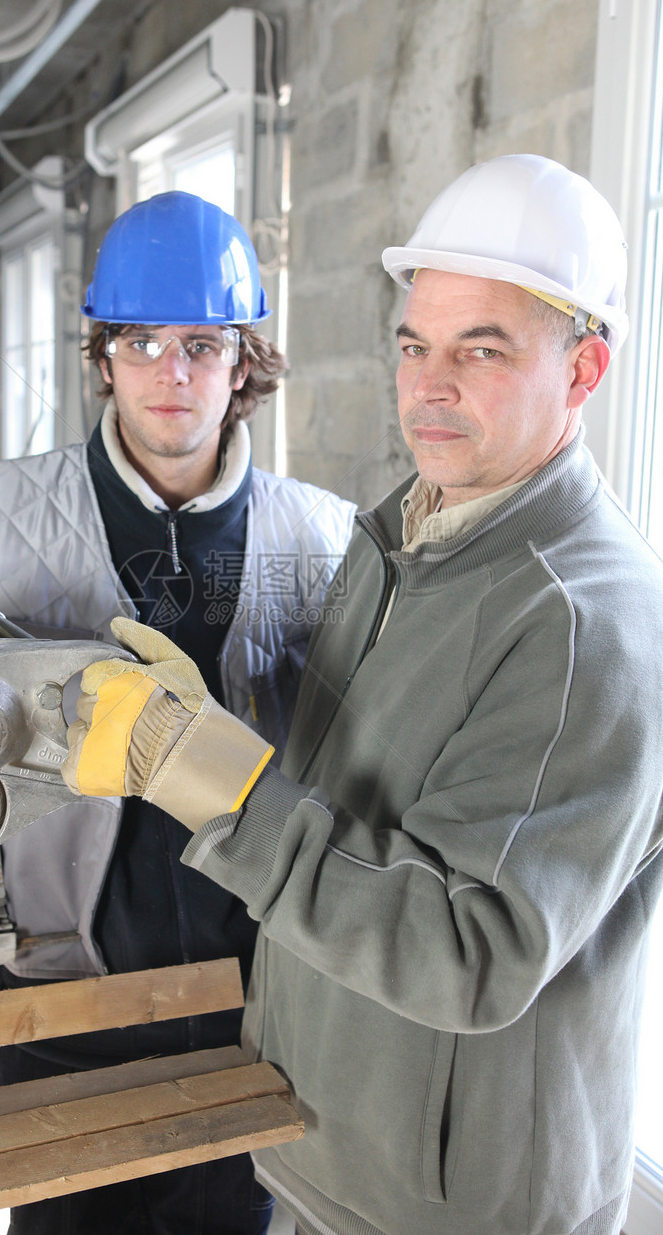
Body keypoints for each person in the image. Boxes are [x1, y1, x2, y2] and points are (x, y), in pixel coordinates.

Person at [61, 155, 663, 1235]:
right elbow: (354, 801)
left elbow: (466, 951)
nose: (428, 386)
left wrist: (213, 784)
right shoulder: (403, 535)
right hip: (326, 1141)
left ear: (582, 369)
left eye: (481, 351)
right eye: (413, 346)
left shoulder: (585, 626)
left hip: (449, 1207)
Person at [0, 190, 357, 1235]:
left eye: (202, 343)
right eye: (141, 340)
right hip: (63, 1010)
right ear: (101, 354)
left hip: (264, 1019)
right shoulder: (0, 515)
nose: (171, 372)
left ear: (245, 361)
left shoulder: (321, 539)